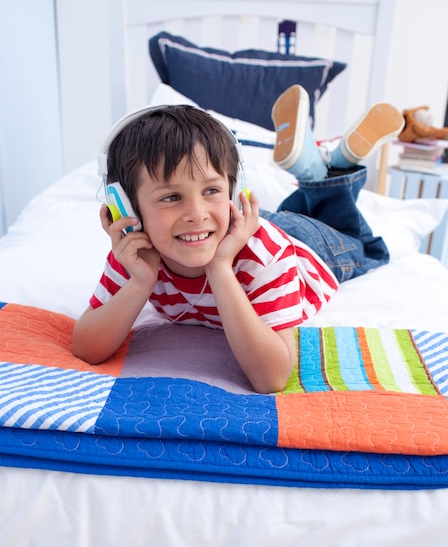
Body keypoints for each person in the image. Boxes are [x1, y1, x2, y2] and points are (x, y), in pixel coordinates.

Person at [72, 85, 404, 393]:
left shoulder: (267, 254)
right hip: (227, 228)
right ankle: (315, 169)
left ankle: (332, 169)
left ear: (234, 190)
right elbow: (87, 349)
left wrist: (220, 267)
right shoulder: (136, 254)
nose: (197, 212)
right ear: (125, 209)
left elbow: (271, 378)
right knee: (301, 209)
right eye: (171, 197)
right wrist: (140, 283)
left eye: (212, 190)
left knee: (357, 239)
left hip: (306, 246)